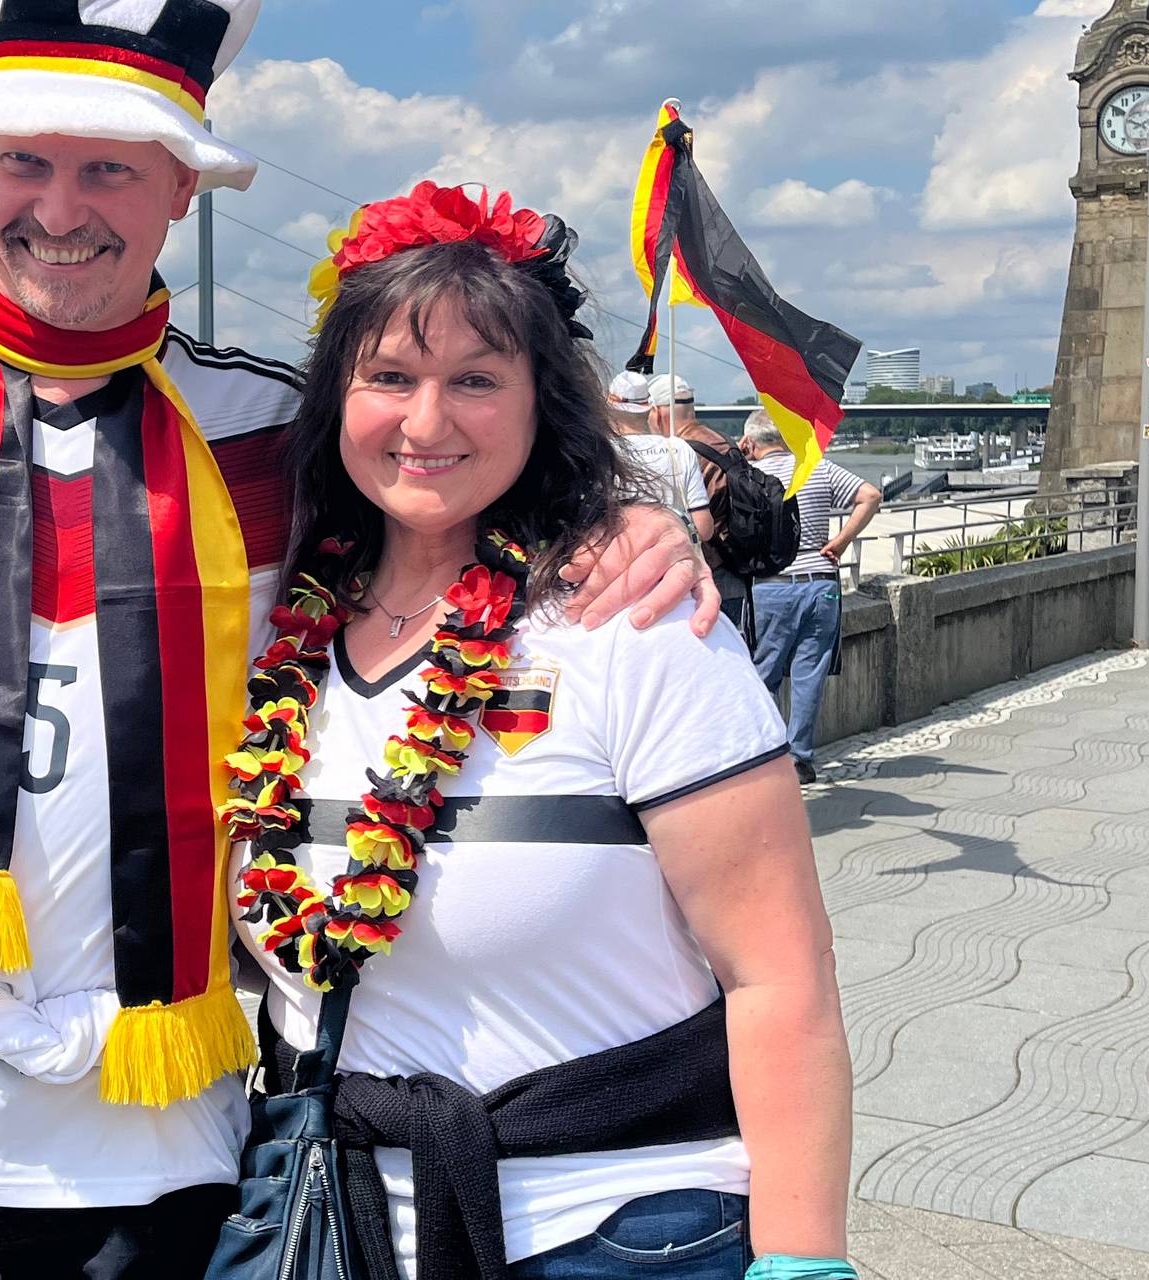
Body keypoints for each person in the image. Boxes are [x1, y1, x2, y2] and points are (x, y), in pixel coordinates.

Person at [0, 7, 713, 1276]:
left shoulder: (276, 435)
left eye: (109, 167)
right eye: (23, 161)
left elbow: (450, 489)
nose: (60, 207)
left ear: (180, 186)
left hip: (150, 1142)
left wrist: (619, 521)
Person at [228, 182, 852, 1280]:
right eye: (388, 377)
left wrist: (803, 1261)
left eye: (475, 380)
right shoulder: (279, 626)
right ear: (334, 399)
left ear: (540, 403)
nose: (426, 423)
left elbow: (779, 976)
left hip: (618, 1230)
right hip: (334, 1225)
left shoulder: (636, 624)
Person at [743, 416, 878, 785]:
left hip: (771, 584)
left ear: (750, 442)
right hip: (820, 584)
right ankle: (799, 759)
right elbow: (870, 495)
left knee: (762, 675)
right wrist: (841, 542)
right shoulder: (816, 467)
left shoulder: (749, 475)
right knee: (809, 675)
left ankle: (763, 756)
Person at [645, 372, 758, 636]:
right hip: (734, 569)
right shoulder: (726, 444)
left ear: (657, 412)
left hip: (698, 577)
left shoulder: (679, 453)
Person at [606, 371, 714, 543]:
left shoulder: (604, 452)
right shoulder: (679, 449)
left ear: (609, 410)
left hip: (621, 555)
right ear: (650, 408)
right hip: (674, 554)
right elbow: (703, 529)